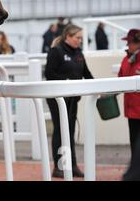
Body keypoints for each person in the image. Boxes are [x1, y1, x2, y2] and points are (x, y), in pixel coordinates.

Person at [45, 24, 93, 178]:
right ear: (68, 37)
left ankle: (72, 165)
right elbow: (49, 73)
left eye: (81, 38)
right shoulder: (56, 51)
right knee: (60, 129)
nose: (80, 41)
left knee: (70, 130)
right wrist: (67, 81)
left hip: (73, 99)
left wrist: (99, 88)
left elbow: (86, 73)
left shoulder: (79, 53)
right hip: (58, 99)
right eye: (77, 38)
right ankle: (59, 166)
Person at [117, 28, 140, 180]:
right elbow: (119, 79)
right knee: (134, 141)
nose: (128, 45)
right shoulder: (127, 59)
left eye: (130, 42)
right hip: (131, 110)